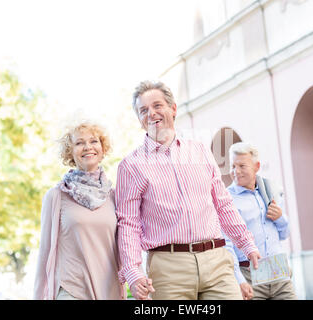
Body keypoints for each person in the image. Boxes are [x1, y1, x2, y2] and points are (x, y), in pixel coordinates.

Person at [115, 80, 261, 300]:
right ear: (139, 119)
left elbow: (222, 203)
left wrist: (246, 243)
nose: (151, 113)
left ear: (173, 109)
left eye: (157, 105)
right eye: (143, 110)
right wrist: (133, 272)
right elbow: (129, 223)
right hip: (168, 270)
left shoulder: (200, 151)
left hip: (217, 261)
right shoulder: (130, 166)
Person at [33, 121, 126, 300]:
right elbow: (44, 254)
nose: (87, 147)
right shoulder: (57, 196)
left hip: (109, 290)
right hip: (71, 290)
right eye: (79, 143)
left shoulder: (115, 196)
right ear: (70, 152)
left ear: (102, 148)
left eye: (93, 141)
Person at [224, 142, 297, 300]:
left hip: (279, 272)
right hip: (250, 275)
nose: (236, 171)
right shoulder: (226, 199)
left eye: (242, 166)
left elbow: (284, 234)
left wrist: (280, 218)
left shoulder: (271, 189)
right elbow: (227, 244)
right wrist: (239, 280)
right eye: (232, 166)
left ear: (256, 166)